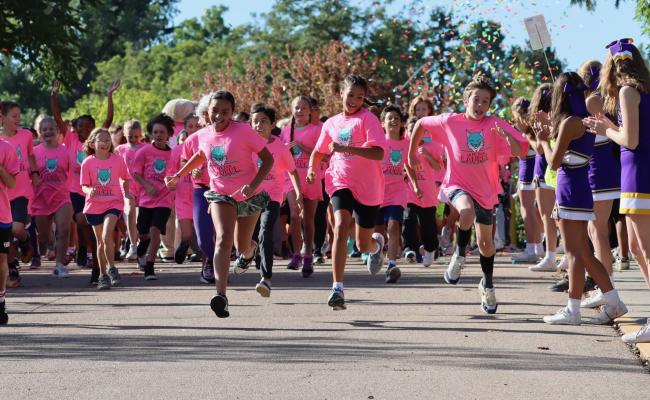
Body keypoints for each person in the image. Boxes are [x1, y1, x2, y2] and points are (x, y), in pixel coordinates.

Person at [408, 75, 527, 314]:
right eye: (476, 100)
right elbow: (420, 125)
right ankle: (459, 255)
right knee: (466, 211)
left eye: (486, 101)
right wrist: (411, 153)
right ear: (466, 100)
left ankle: (488, 285)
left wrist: (507, 139)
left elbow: (521, 150)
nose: (480, 105)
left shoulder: (494, 123)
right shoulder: (449, 121)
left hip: (486, 190)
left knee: (486, 244)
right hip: (457, 184)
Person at [166, 90, 273, 318]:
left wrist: (253, 185)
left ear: (232, 112)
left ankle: (249, 251)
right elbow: (200, 155)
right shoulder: (204, 134)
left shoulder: (244, 131)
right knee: (223, 239)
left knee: (241, 245)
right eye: (215, 111)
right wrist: (178, 175)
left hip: (248, 195)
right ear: (208, 111)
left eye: (225, 112)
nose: (219, 116)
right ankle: (221, 295)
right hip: (220, 194)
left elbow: (268, 159)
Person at [539, 72, 627, 325]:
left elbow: (553, 163)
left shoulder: (569, 122)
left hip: (570, 189)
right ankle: (613, 302)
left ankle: (573, 309)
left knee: (575, 253)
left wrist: (545, 141)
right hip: (580, 187)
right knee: (585, 253)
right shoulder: (584, 120)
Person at [584, 39, 650, 340]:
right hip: (633, 173)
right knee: (636, 249)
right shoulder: (640, 90)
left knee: (645, 250)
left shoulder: (627, 90)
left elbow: (631, 140)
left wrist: (606, 130)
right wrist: (611, 125)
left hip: (639, 173)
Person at [307, 75, 387, 310]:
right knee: (340, 225)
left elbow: (379, 154)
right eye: (350, 95)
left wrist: (346, 148)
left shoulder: (368, 119)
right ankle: (337, 288)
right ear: (340, 94)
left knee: (362, 245)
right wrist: (312, 170)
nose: (354, 100)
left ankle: (375, 246)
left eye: (360, 97)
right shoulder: (331, 123)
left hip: (369, 186)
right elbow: (319, 152)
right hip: (339, 180)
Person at [51, 79, 119, 284]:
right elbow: (57, 117)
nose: (84, 129)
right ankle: (82, 247)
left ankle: (96, 268)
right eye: (80, 126)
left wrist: (109, 96)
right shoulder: (70, 139)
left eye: (88, 127)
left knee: (95, 231)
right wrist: (54, 95)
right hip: (77, 190)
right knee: (82, 221)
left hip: (100, 192)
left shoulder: (97, 142)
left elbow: (108, 119)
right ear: (75, 128)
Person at [578, 60, 621, 309]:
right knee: (596, 231)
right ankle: (604, 286)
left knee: (598, 232)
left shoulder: (592, 100)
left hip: (601, 169)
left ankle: (608, 288)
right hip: (599, 168)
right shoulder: (598, 97)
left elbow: (608, 130)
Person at [250, 103, 302, 295]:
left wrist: (298, 195)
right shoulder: (246, 145)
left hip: (272, 196)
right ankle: (247, 254)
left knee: (266, 231)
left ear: (272, 124)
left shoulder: (279, 147)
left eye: (263, 121)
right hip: (249, 196)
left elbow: (293, 171)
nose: (258, 125)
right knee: (250, 238)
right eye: (255, 121)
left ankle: (266, 279)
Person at [80, 128, 132, 290]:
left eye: (107, 140)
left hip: (113, 203)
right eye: (101, 140)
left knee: (106, 235)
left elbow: (125, 178)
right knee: (101, 242)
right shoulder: (88, 162)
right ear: (92, 143)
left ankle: (111, 268)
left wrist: (128, 193)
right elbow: (84, 186)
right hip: (94, 205)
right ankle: (104, 274)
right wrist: (90, 191)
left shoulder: (117, 160)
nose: (104, 143)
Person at [280, 96, 323, 275]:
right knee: (295, 215)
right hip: (292, 178)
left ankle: (308, 256)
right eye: (297, 108)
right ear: (292, 110)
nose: (300, 111)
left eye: (304, 108)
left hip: (311, 177)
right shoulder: (285, 130)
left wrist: (303, 148)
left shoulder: (317, 130)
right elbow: (279, 155)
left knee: (308, 220)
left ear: (310, 111)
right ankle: (296, 253)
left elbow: (324, 155)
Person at [0, 101, 39, 288]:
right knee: (6, 235)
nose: (18, 119)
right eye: (14, 116)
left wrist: (35, 173)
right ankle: (12, 268)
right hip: (4, 193)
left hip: (21, 190)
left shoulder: (26, 135)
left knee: (16, 229)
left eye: (19, 115)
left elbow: (30, 155)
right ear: (3, 118)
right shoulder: (1, 142)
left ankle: (25, 240)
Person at [132, 114, 175, 280]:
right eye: (155, 132)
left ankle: (150, 266)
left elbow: (177, 174)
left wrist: (172, 183)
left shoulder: (173, 154)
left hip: (164, 200)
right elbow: (135, 173)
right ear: (151, 134)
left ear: (168, 134)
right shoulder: (144, 151)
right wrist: (147, 186)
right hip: (145, 199)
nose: (158, 135)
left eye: (162, 132)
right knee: (143, 233)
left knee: (155, 230)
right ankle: (142, 245)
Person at [31, 117, 73, 278]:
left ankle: (60, 265)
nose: (48, 132)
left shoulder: (65, 150)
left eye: (51, 129)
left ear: (57, 131)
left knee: (64, 229)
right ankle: (51, 244)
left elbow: (75, 173)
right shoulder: (34, 152)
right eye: (44, 130)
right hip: (40, 199)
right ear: (40, 133)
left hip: (62, 196)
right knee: (43, 237)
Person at [376, 105, 409, 283]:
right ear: (382, 123)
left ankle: (392, 264)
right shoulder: (377, 142)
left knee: (393, 225)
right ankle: (376, 254)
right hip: (377, 191)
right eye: (389, 118)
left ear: (401, 122)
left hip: (397, 191)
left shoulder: (406, 143)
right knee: (377, 231)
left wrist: (417, 186)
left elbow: (410, 164)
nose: (393, 121)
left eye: (397, 118)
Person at [510, 97, 543, 263]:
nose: (515, 122)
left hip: (529, 171)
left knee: (528, 212)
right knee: (534, 212)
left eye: (516, 118)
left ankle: (532, 249)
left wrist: (513, 136)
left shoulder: (529, 131)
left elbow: (520, 153)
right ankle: (538, 248)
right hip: (530, 170)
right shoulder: (534, 129)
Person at [114, 120, 145, 260]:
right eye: (129, 137)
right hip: (126, 187)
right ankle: (133, 245)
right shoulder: (120, 149)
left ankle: (142, 244)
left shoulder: (145, 148)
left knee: (141, 218)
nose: (132, 139)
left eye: (135, 137)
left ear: (140, 135)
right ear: (125, 135)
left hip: (143, 186)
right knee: (130, 212)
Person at [0, 134, 19, 324]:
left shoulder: (6, 149)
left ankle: (1, 301)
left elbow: (12, 183)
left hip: (1, 214)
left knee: (1, 259)